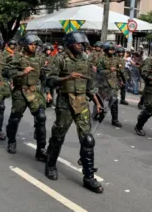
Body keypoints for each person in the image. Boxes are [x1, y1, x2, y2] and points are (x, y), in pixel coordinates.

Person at [44, 31, 104, 193]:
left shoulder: (86, 60)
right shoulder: (60, 58)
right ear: (70, 43)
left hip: (82, 102)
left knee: (88, 140)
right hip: (65, 101)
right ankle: (50, 165)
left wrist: (98, 103)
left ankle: (89, 176)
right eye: (79, 44)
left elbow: (90, 86)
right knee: (58, 135)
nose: (82, 46)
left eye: (83, 44)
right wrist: (67, 78)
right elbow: (49, 80)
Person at [5, 33, 50, 160]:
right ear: (25, 45)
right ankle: (11, 141)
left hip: (34, 91)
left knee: (41, 117)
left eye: (35, 45)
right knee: (15, 118)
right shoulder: (17, 57)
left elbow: (43, 76)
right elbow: (7, 72)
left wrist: (47, 91)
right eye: (31, 44)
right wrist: (21, 72)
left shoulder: (40, 59)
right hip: (20, 91)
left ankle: (41, 150)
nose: (33, 47)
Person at [97, 42, 123, 128]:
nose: (112, 51)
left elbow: (118, 70)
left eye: (113, 50)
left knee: (114, 100)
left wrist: (121, 80)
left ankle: (115, 120)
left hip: (113, 83)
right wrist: (109, 70)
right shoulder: (102, 59)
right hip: (103, 83)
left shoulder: (116, 59)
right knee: (101, 100)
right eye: (110, 50)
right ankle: (98, 113)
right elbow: (99, 71)